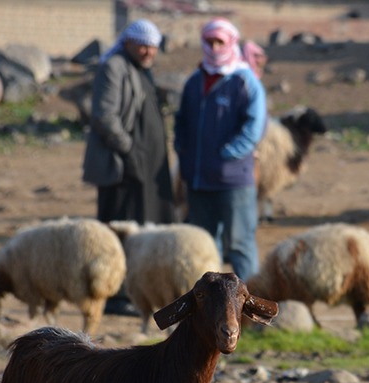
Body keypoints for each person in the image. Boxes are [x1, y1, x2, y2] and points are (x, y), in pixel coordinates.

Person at [82, 18, 174, 315]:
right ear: (128, 42)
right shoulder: (115, 67)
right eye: (143, 44)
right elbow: (104, 116)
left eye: (153, 46)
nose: (148, 51)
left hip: (148, 166)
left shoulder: (140, 68)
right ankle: (117, 295)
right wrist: (129, 150)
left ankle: (139, 291)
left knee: (144, 226)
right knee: (121, 228)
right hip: (121, 166)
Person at [174, 18, 267, 281]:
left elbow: (254, 126)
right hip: (199, 181)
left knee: (239, 243)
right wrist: (184, 151)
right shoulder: (194, 81)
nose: (214, 47)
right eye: (209, 41)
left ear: (231, 43)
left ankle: (252, 310)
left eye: (220, 42)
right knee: (204, 246)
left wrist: (229, 155)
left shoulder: (244, 81)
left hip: (233, 181)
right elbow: (182, 120)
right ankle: (211, 309)